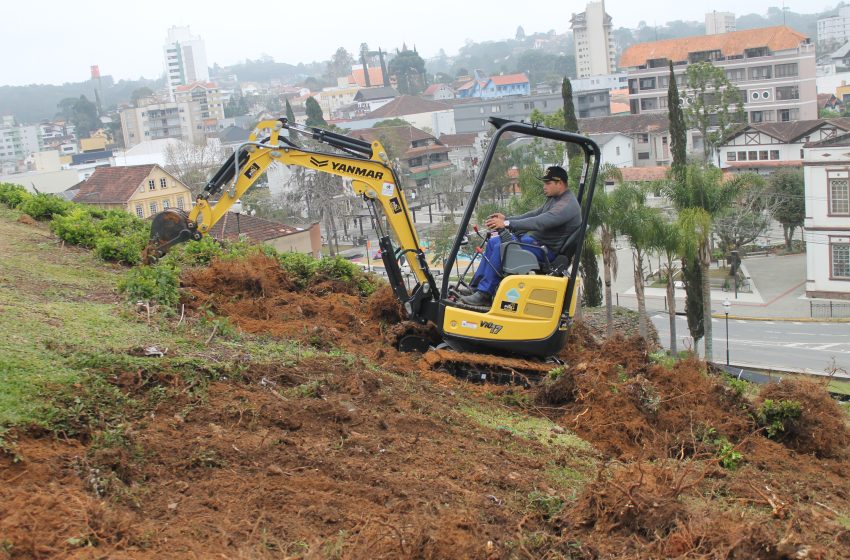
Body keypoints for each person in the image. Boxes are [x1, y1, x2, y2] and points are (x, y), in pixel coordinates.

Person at [460, 165, 581, 307]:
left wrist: (507, 223)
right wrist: (507, 218)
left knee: (502, 248)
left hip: (546, 250)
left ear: (560, 183)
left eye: (548, 183)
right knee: (494, 242)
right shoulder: (555, 199)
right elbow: (535, 214)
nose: (544, 186)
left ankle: (485, 295)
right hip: (535, 243)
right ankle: (476, 287)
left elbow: (540, 222)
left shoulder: (567, 205)